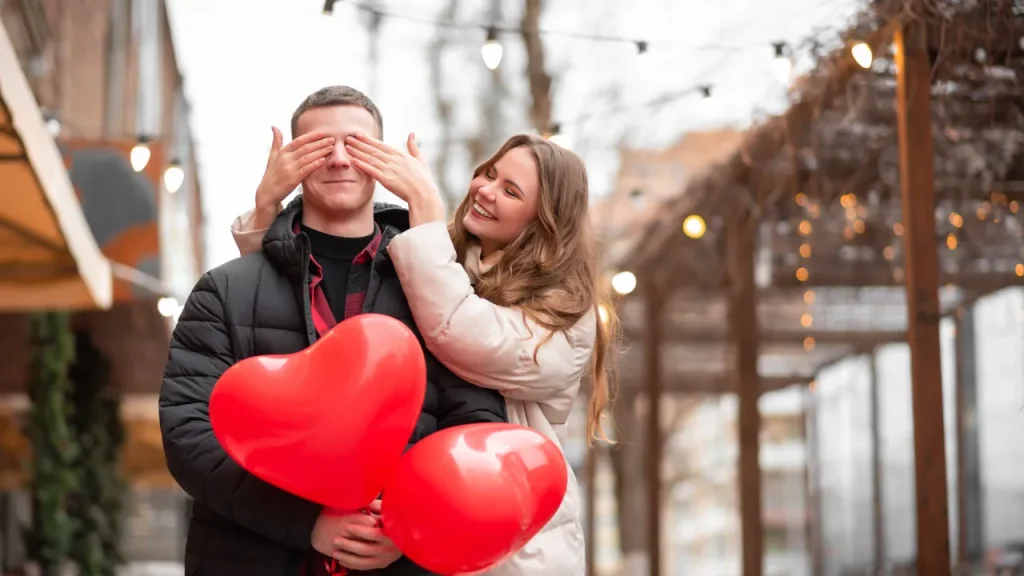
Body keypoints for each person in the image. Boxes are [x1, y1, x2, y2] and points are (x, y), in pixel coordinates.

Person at [230, 127, 617, 575]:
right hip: (440, 535)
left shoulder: (564, 314)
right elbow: (301, 307)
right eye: (489, 174)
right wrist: (266, 215)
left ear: (543, 220)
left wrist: (425, 210)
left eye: (510, 190)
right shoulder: (447, 265)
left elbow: (458, 331)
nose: (486, 191)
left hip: (514, 542)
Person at [159, 85, 508, 576]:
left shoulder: (440, 294)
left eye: (358, 144)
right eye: (319, 146)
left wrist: (408, 530)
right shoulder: (222, 291)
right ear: (292, 162)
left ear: (385, 160)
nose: (340, 159)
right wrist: (308, 522)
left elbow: (476, 428)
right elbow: (189, 434)